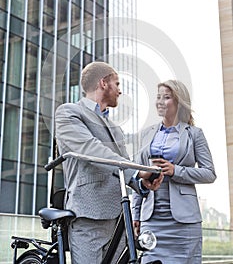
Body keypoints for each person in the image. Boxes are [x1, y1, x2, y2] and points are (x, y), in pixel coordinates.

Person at [55, 61, 163, 264]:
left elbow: (122, 167)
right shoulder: (68, 112)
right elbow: (90, 149)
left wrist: (141, 183)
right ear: (104, 83)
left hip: (119, 218)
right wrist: (139, 172)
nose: (120, 91)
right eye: (117, 84)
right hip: (90, 212)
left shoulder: (116, 129)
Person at [132, 79, 216, 264]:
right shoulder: (146, 134)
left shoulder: (194, 134)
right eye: (158, 97)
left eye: (167, 97)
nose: (160, 101)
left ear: (179, 102)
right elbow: (137, 175)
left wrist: (175, 170)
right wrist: (135, 214)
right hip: (151, 219)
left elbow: (209, 173)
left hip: (184, 222)